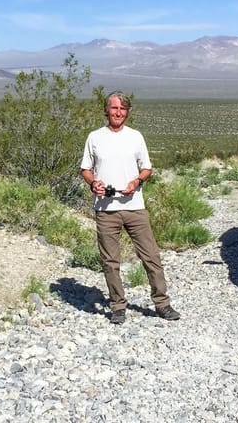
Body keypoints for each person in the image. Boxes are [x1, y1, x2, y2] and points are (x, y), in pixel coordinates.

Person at [80, 91, 180, 325]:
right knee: (110, 261)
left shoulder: (135, 137)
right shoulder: (95, 137)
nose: (118, 113)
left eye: (123, 109)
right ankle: (117, 306)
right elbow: (85, 168)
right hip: (106, 209)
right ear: (107, 110)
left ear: (127, 112)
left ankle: (162, 303)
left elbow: (147, 168)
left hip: (135, 206)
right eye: (114, 108)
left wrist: (137, 182)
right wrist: (94, 183)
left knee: (151, 256)